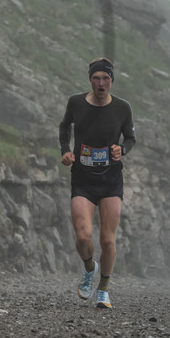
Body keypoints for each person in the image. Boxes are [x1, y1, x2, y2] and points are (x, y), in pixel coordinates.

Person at [58, 57, 136, 310]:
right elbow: (64, 126)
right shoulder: (76, 103)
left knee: (107, 240)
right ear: (90, 80)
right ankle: (89, 268)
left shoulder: (123, 108)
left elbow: (131, 138)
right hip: (82, 177)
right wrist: (66, 151)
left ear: (112, 80)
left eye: (105, 79)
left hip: (111, 179)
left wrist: (121, 150)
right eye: (96, 78)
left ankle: (103, 290)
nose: (101, 83)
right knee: (83, 236)